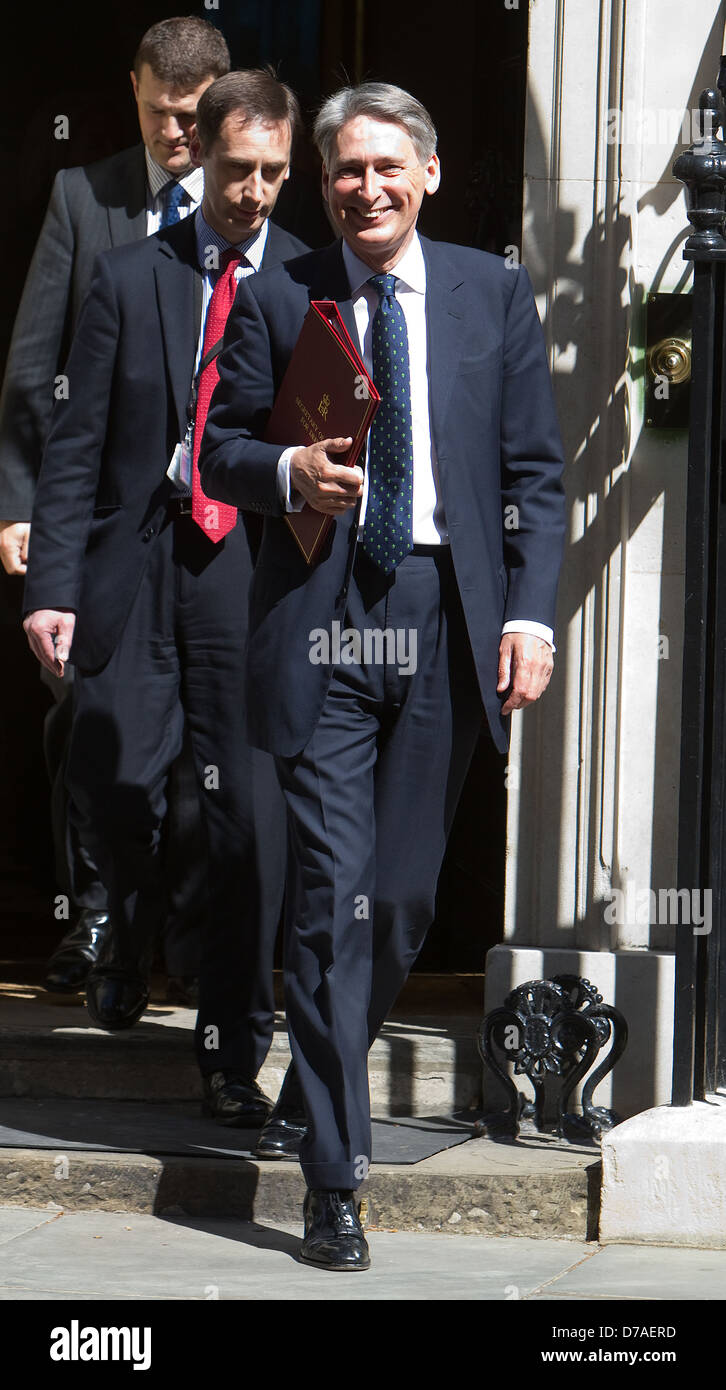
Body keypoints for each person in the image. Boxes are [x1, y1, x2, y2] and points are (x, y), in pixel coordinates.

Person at [199, 82, 567, 1266]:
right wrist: (290, 469)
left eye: (385, 167)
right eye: (345, 170)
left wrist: (531, 618)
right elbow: (217, 447)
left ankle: (320, 1078)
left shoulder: (491, 293)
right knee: (327, 901)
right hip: (322, 619)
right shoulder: (276, 295)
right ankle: (333, 1179)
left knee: (398, 902)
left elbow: (537, 477)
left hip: (441, 619)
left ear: (431, 172)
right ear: (326, 183)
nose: (366, 188)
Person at [22, 69, 308, 1125]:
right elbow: (75, 445)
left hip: (246, 575)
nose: (255, 193)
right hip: (133, 564)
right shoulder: (128, 277)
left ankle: (232, 1046)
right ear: (201, 156)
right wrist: (52, 584)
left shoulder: (310, 289)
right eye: (239, 170)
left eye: (275, 174)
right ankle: (127, 920)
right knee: (114, 774)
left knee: (242, 817)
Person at [0, 15, 231, 1003]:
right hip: (96, 524)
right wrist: (18, 505)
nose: (174, 133)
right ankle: (95, 914)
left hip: (214, 529)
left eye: (190, 116)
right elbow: (30, 366)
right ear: (132, 95)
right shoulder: (82, 197)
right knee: (87, 722)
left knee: (197, 750)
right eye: (156, 113)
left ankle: (166, 930)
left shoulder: (250, 203)